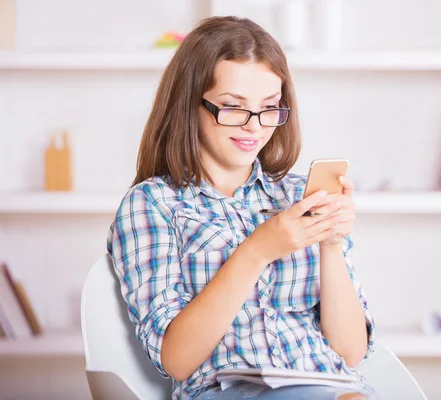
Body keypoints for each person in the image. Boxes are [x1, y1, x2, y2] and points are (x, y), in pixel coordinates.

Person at [106, 15, 376, 400]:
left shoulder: (297, 195)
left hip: (334, 388)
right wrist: (257, 251)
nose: (254, 126)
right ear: (190, 105)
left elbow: (350, 352)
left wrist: (330, 244)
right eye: (233, 107)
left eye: (269, 107)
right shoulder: (153, 204)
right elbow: (177, 360)